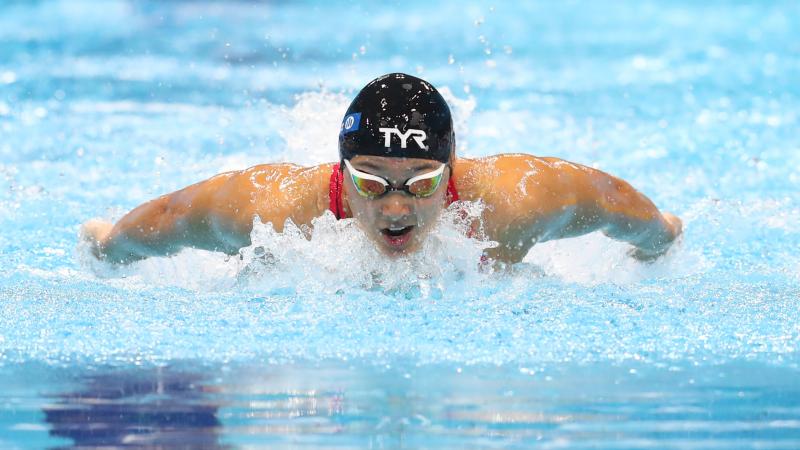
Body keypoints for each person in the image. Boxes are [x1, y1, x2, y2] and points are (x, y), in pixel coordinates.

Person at [81, 73, 682, 266]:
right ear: (340, 170)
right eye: (370, 180)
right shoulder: (280, 209)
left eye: (420, 185)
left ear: (451, 169)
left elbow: (611, 199)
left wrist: (659, 240)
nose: (396, 208)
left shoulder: (515, 201)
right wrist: (109, 245)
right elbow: (175, 216)